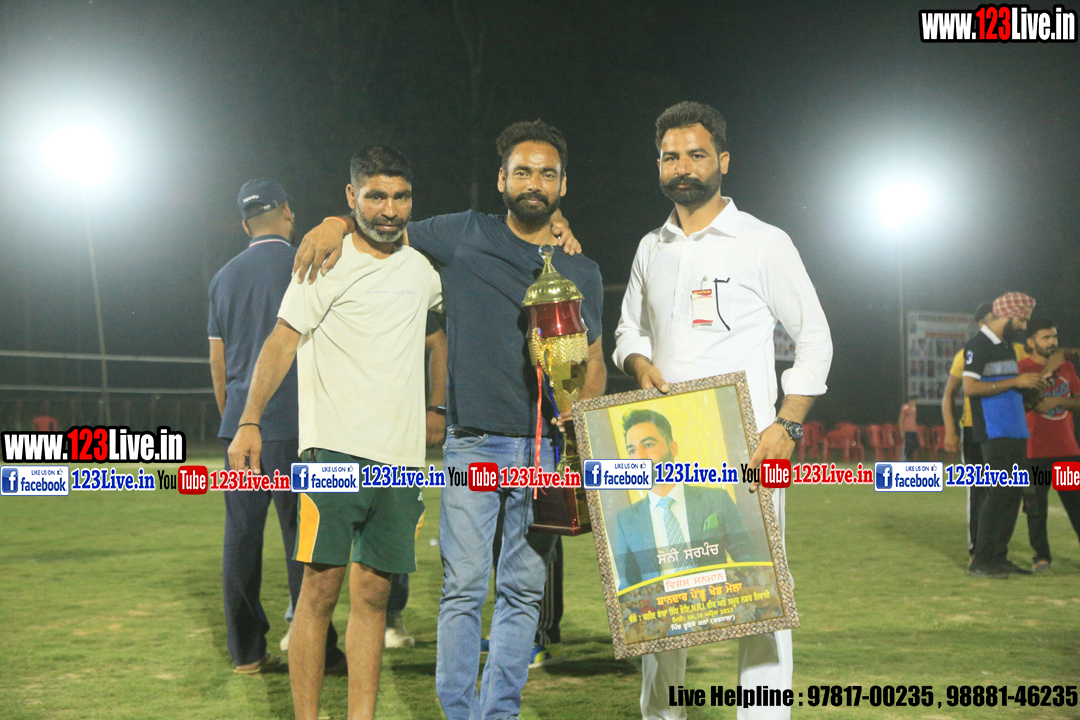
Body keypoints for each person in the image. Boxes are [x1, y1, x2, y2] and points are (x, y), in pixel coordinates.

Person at [293, 120, 604, 720]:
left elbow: (592, 358)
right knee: (463, 589)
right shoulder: (464, 234)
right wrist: (334, 222)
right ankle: (459, 713)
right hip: (474, 445)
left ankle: (499, 712)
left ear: (563, 185)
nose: (533, 183)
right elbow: (384, 223)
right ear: (501, 179)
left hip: (546, 450)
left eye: (546, 174)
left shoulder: (582, 270)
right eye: (521, 171)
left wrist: (581, 419)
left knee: (522, 593)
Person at [613, 101, 832, 720]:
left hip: (751, 448)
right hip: (666, 452)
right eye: (670, 156)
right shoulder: (651, 246)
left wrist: (787, 424)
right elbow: (628, 330)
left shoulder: (764, 242)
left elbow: (815, 338)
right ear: (659, 164)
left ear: (724, 161)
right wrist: (638, 363)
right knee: (664, 590)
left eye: (697, 154)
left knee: (760, 590)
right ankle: (662, 714)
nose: (683, 167)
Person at [227, 146, 442, 720]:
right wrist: (249, 420)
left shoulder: (421, 270)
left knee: (374, 595)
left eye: (400, 197)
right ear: (352, 197)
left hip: (402, 464)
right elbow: (281, 341)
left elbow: (444, 333)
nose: (389, 209)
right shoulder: (325, 260)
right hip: (333, 456)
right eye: (375, 196)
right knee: (318, 592)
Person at [208, 178, 345, 675]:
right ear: (288, 212)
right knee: (303, 539)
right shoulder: (309, 264)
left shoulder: (223, 278)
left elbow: (219, 365)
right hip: (298, 425)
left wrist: (237, 419)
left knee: (241, 537)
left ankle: (246, 651)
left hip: (241, 428)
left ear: (245, 225)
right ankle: (317, 649)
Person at [613, 409, 766, 590]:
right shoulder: (625, 521)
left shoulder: (717, 500)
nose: (639, 457)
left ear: (673, 448)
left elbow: (749, 561)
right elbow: (629, 586)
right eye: (632, 450)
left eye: (648, 445)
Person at [962, 291, 1049, 579]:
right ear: (1007, 316)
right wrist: (1016, 381)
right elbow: (970, 388)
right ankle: (980, 562)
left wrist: (1029, 391)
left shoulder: (1008, 346)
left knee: (1013, 494)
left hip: (1015, 428)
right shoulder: (977, 344)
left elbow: (1007, 386)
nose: (1024, 326)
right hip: (994, 430)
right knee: (998, 493)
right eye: (1022, 320)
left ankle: (999, 557)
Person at [1017, 317, 1080, 571]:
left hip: (1066, 451)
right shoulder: (1021, 369)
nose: (1052, 342)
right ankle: (1042, 557)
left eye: (1054, 336)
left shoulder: (1067, 368)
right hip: (1033, 452)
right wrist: (1047, 371)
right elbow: (1024, 403)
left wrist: (1059, 402)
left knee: (1076, 507)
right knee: (1036, 510)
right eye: (1046, 337)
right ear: (1031, 342)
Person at [942, 303, 993, 562]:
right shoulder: (967, 354)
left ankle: (996, 549)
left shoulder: (1010, 352)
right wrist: (951, 430)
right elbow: (949, 395)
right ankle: (978, 551)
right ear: (982, 323)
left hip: (1003, 430)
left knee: (1004, 491)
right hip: (973, 430)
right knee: (979, 490)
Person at [899, 396, 919, 460]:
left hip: (914, 430)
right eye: (913, 401)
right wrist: (901, 430)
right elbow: (901, 420)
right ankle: (905, 458)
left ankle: (908, 456)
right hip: (907, 430)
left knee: (917, 445)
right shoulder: (905, 409)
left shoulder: (914, 409)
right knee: (907, 445)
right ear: (910, 401)